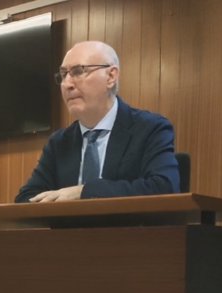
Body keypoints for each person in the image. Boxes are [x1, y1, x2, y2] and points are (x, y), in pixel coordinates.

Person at [15, 41, 180, 203]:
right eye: (63, 74)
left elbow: (164, 187)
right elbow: (26, 198)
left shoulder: (150, 128)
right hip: (70, 231)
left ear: (111, 76)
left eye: (78, 71)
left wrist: (84, 192)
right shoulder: (59, 142)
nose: (67, 84)